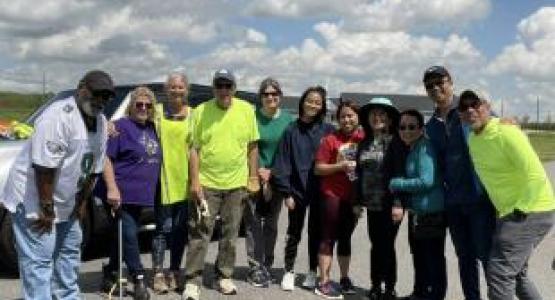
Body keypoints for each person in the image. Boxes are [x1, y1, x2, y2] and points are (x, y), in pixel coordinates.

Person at [0, 70, 114, 299]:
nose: (101, 100)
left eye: (106, 96)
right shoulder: (58, 117)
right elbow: (44, 169)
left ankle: (67, 296)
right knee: (39, 261)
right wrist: (46, 209)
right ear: (81, 88)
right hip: (35, 200)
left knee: (69, 252)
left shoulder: (101, 122)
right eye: (97, 94)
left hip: (67, 201)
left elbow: (95, 169)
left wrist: (81, 203)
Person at [458, 90, 555, 300]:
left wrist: (519, 211)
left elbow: (535, 174)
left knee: (500, 272)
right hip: (508, 212)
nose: (470, 110)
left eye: (475, 104)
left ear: (487, 106)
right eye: (464, 107)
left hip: (530, 209)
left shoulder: (506, 132)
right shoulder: (474, 138)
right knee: (517, 275)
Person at [182, 69, 259, 300]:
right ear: (213, 88)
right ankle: (192, 280)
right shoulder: (201, 111)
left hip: (236, 184)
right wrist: (195, 181)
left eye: (228, 85)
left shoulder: (246, 109)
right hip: (207, 183)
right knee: (199, 232)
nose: (224, 90)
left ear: (234, 88)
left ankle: (223, 276)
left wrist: (253, 177)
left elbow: (252, 146)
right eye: (219, 85)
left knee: (230, 233)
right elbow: (193, 148)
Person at [423, 66, 494, 300]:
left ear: (451, 82)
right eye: (429, 85)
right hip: (453, 202)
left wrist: (509, 122)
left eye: (439, 82)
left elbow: (493, 125)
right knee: (464, 258)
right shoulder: (431, 125)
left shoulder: (466, 109)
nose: (435, 88)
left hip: (479, 198)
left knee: (487, 256)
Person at [272, 86, 335, 291]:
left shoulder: (327, 131)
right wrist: (286, 192)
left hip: (320, 190)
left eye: (318, 102)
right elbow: (282, 162)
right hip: (296, 191)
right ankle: (289, 270)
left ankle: (311, 271)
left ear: (322, 106)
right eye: (310, 100)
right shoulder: (291, 130)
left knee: (315, 233)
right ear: (302, 102)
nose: (313, 105)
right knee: (294, 232)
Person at [100, 86, 161, 300]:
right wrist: (112, 188)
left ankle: (110, 272)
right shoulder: (119, 127)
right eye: (139, 104)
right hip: (120, 194)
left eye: (148, 105)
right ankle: (138, 278)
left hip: (141, 196)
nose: (143, 108)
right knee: (128, 235)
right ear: (131, 106)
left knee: (123, 235)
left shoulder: (154, 128)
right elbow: (106, 158)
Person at [389, 109, 447, 300]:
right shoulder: (413, 148)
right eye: (402, 127)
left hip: (431, 213)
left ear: (421, 129)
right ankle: (419, 293)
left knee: (433, 261)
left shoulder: (425, 148)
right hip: (418, 214)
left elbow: (426, 181)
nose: (406, 130)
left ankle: (434, 296)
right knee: (420, 258)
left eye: (412, 126)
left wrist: (397, 183)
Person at [243, 78, 294, 287]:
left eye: (274, 94)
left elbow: (290, 151)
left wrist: (272, 172)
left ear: (280, 96)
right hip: (252, 176)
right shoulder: (251, 117)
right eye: (266, 94)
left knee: (271, 224)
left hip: (277, 178)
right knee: (253, 223)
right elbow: (247, 146)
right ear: (260, 97)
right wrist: (258, 171)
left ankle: (267, 264)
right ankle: (255, 267)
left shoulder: (288, 120)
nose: (271, 97)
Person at [355, 97, 407, 300]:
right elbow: (358, 174)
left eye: (382, 114)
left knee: (387, 244)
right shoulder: (364, 143)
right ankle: (375, 285)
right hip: (371, 205)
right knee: (376, 245)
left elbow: (399, 173)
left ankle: (390, 287)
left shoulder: (396, 142)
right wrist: (357, 201)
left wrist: (398, 203)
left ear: (390, 119)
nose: (377, 118)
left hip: (390, 204)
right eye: (373, 114)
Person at [314, 100, 364, 299]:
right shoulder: (330, 140)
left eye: (351, 115)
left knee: (345, 238)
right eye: (343, 116)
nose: (347, 119)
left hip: (353, 198)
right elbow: (318, 168)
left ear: (358, 117)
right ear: (337, 119)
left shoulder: (364, 138)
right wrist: (340, 167)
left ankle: (344, 278)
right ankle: (324, 281)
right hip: (332, 195)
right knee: (328, 237)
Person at [150, 73, 193, 294]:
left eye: (180, 87)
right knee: (162, 229)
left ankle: (175, 271)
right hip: (162, 181)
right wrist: (111, 125)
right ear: (166, 90)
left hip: (185, 182)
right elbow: (133, 119)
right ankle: (158, 273)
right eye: (172, 87)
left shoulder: (193, 116)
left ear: (187, 90)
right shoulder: (155, 112)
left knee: (180, 230)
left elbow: (198, 148)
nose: (176, 90)